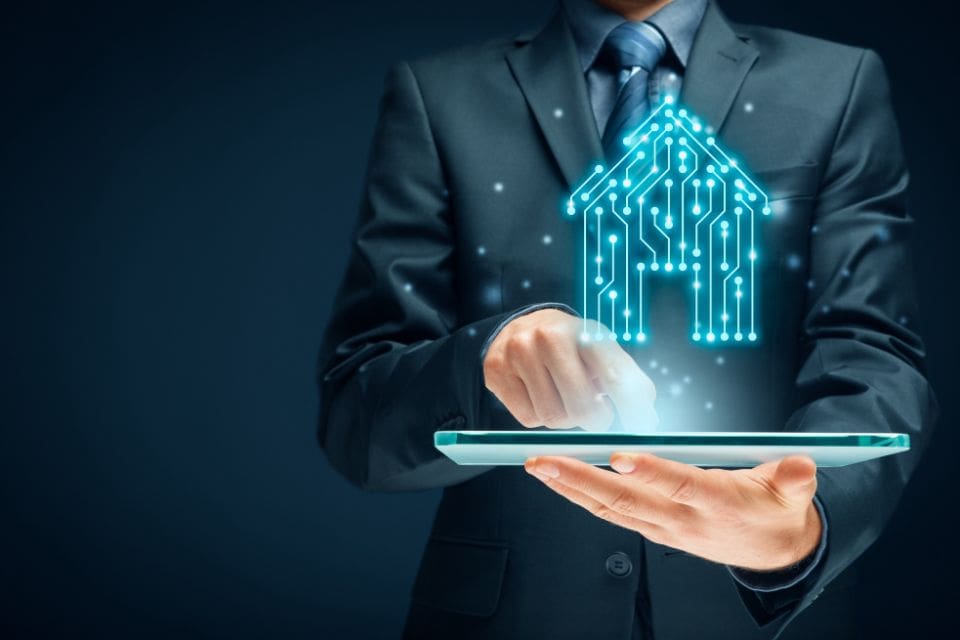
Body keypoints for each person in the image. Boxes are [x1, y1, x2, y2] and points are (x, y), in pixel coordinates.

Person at [317, 0, 937, 637]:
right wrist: (485, 366)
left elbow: (871, 350)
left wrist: (808, 523)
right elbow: (356, 418)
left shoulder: (836, 82)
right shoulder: (439, 94)